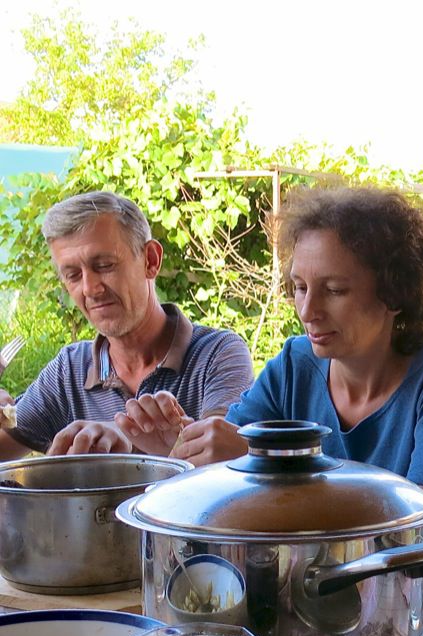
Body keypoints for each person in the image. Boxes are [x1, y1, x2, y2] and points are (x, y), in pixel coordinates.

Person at [154, 185, 423, 540]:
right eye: (300, 287)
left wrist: (270, 464)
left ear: (394, 294)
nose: (307, 311)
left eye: (333, 290)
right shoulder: (292, 366)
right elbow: (228, 465)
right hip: (333, 582)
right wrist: (180, 449)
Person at [0, 191, 254, 460]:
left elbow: (219, 454)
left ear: (151, 261)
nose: (90, 288)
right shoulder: (68, 371)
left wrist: (123, 436)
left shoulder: (217, 354)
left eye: (105, 265)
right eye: (73, 275)